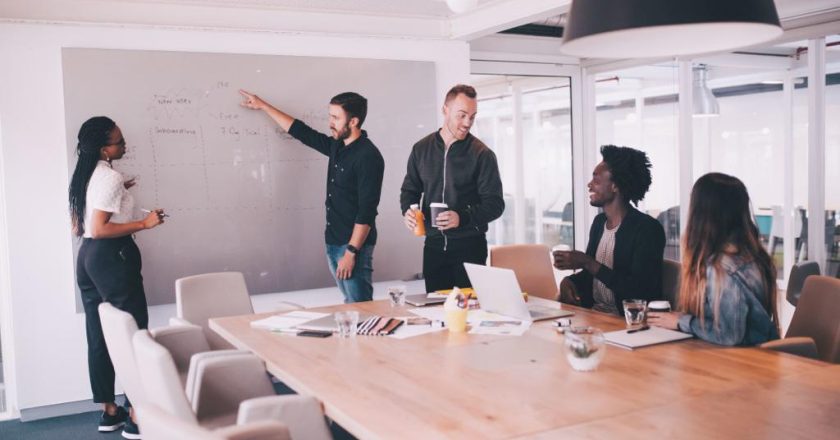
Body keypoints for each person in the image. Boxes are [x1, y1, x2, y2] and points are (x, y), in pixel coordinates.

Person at [69, 116, 165, 438]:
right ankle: (137, 416)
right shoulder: (108, 178)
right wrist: (145, 223)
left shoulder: (86, 174)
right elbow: (100, 228)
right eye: (119, 142)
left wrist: (120, 191)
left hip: (87, 258)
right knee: (135, 332)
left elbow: (80, 227)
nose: (124, 145)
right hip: (112, 257)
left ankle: (109, 412)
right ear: (104, 148)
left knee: (98, 333)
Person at [239, 90, 384, 303]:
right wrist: (264, 106)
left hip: (353, 247)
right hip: (333, 241)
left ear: (353, 121)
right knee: (350, 305)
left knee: (361, 308)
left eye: (336, 118)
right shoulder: (338, 145)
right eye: (330, 116)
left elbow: (367, 212)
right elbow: (302, 132)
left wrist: (351, 253)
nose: (330, 122)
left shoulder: (368, 156)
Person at [648, 173, 780, 346]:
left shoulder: (723, 268)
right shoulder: (750, 256)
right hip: (752, 357)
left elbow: (730, 335)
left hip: (745, 362)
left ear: (702, 214)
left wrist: (680, 322)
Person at [400, 84, 504, 293]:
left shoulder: (482, 154)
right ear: (445, 110)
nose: (467, 123)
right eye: (462, 115)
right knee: (436, 314)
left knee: (470, 316)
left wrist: (461, 217)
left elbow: (495, 204)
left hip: (470, 249)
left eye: (472, 117)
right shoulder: (421, 149)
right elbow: (409, 189)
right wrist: (408, 212)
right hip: (433, 248)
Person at [554, 145, 665, 315]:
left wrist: (588, 262)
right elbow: (593, 277)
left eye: (596, 180)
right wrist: (568, 281)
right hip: (595, 316)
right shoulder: (599, 223)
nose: (589, 185)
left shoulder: (647, 229)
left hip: (629, 323)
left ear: (615, 186)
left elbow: (639, 291)